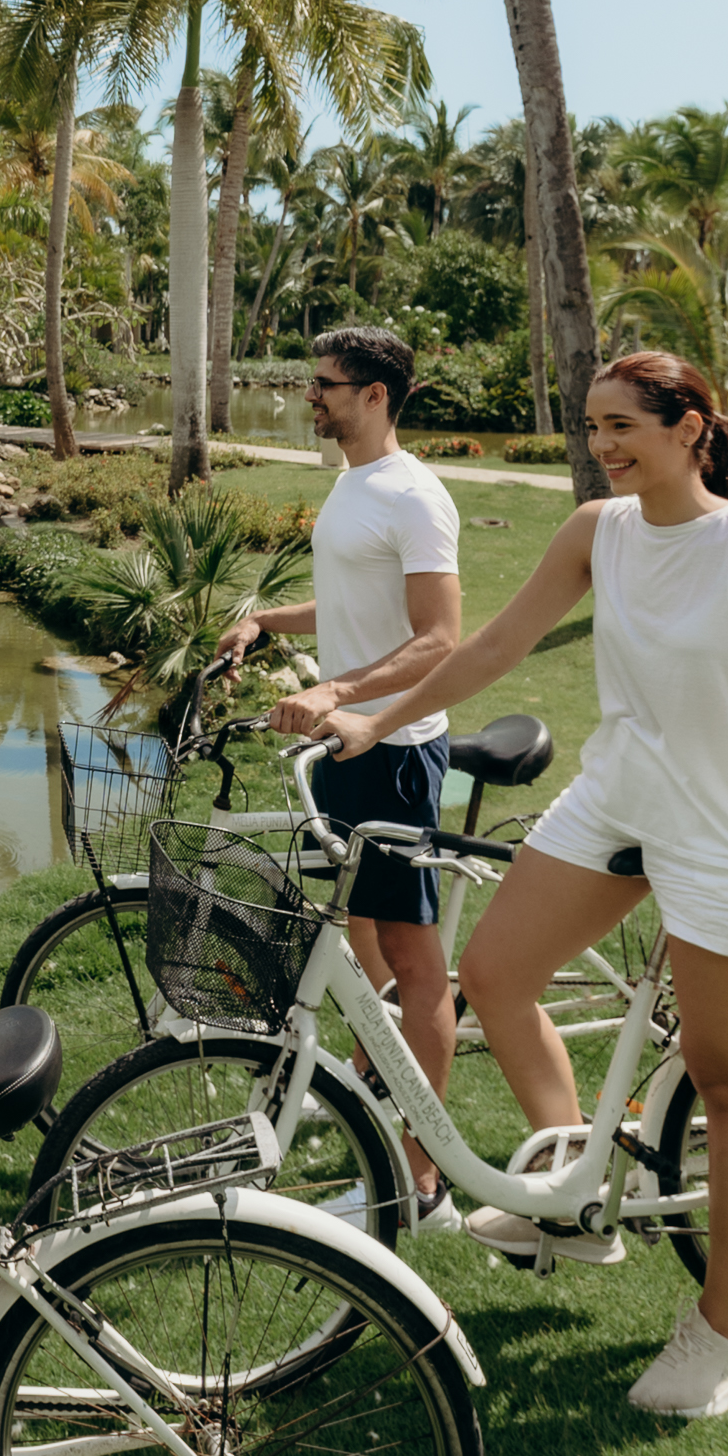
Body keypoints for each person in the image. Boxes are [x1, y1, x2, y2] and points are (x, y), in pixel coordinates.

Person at [327, 347, 728, 1419]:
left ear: (692, 428)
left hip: (724, 831)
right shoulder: (595, 532)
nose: (603, 445)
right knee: (494, 972)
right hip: (617, 800)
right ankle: (574, 1193)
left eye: (625, 426)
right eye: (593, 425)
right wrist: (373, 719)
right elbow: (498, 645)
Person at [218, 325, 465, 1226]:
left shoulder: (413, 496)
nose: (309, 395)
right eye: (311, 380)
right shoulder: (352, 485)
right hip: (344, 748)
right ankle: (374, 1081)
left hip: (393, 753)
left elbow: (439, 637)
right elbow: (353, 599)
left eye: (325, 384)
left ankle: (421, 1179)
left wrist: (335, 690)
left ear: (375, 395)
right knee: (352, 930)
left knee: (411, 958)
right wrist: (265, 623)